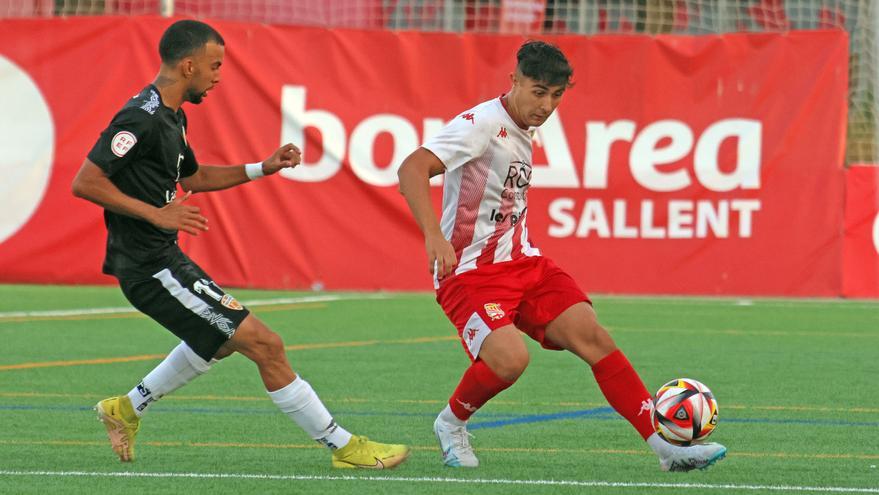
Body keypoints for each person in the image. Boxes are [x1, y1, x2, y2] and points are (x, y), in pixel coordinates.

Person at [71, 19, 409, 469]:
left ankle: (127, 408)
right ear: (188, 65)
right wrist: (157, 214)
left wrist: (260, 167)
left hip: (165, 259)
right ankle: (343, 447)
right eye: (214, 65)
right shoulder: (140, 118)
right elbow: (86, 181)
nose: (218, 75)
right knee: (265, 344)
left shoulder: (174, 116)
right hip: (149, 268)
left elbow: (193, 177)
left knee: (223, 340)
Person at [397, 40, 726, 472]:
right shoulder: (480, 124)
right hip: (470, 272)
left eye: (556, 95)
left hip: (525, 263)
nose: (546, 105)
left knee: (594, 336)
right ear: (513, 81)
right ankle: (451, 423)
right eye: (537, 92)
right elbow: (411, 169)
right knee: (510, 360)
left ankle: (668, 450)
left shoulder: (522, 128)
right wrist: (433, 237)